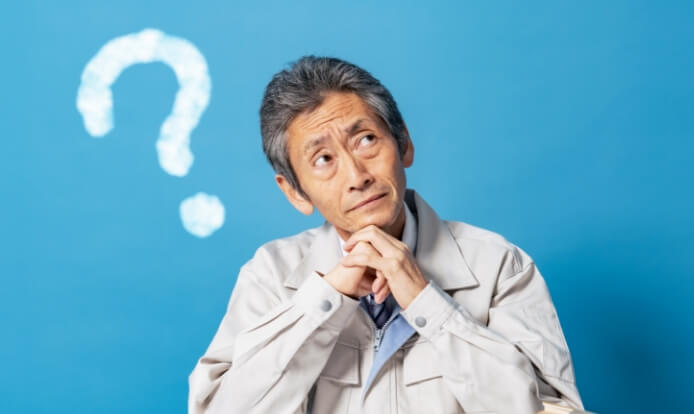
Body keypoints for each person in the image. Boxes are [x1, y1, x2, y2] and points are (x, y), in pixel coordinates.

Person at [188, 55, 585, 414]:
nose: (357, 176)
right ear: (295, 191)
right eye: (323, 159)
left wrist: (427, 302)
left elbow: (551, 410)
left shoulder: (499, 266)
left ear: (404, 143)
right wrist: (324, 300)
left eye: (366, 140)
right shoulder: (271, 276)